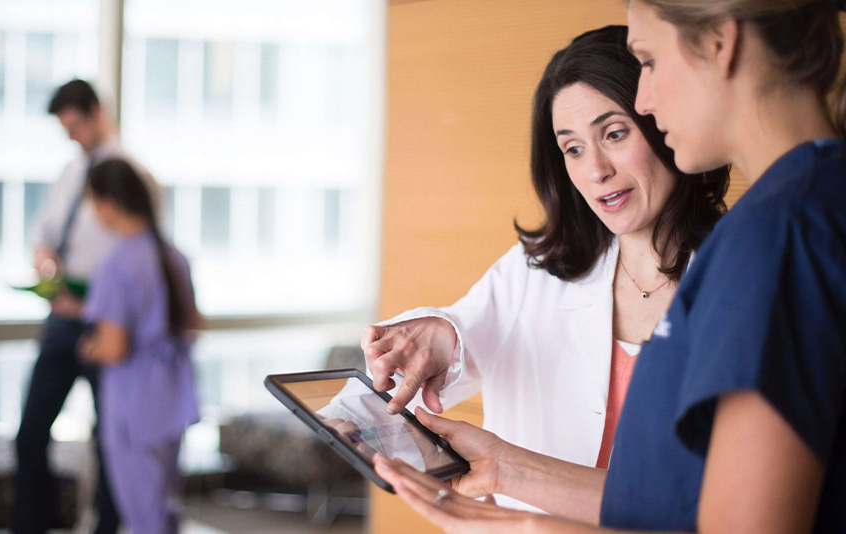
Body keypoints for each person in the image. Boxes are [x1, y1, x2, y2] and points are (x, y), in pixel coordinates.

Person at [375, 1, 846, 532]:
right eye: (572, 148)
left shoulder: (773, 235)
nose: (646, 98)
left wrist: (529, 527)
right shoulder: (799, 208)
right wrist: (507, 467)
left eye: (646, 60)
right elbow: (685, 497)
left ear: (720, 42)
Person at [361, 25, 728, 519]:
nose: (595, 170)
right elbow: (463, 331)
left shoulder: (740, 277)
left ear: (664, 120)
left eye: (614, 134)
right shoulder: (539, 270)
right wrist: (436, 334)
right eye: (572, 148)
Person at [14, 79, 158, 534]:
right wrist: (44, 257)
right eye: (65, 130)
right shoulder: (69, 174)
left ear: (98, 113)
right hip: (61, 319)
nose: (73, 137)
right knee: (31, 435)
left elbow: (139, 261)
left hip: (105, 323)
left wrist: (91, 303)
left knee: (110, 441)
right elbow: (46, 232)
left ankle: (106, 527)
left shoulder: (134, 177)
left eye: (76, 126)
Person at [78, 158, 200, 534]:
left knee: (142, 516)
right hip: (171, 397)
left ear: (109, 204)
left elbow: (114, 347)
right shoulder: (173, 255)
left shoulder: (117, 264)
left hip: (135, 405)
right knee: (163, 507)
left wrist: (90, 347)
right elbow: (192, 325)